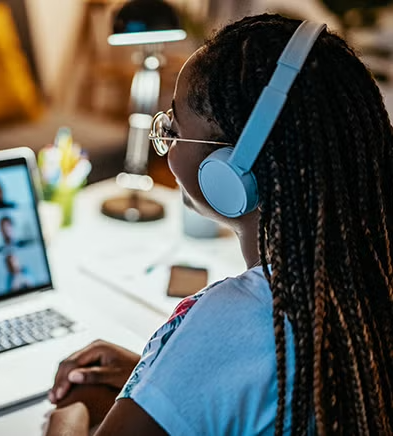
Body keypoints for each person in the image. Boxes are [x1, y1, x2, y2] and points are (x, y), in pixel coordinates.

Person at [45, 14, 393, 436]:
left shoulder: (237, 318)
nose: (166, 146)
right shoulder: (367, 285)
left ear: (231, 169)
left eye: (173, 129)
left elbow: (238, 353)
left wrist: (70, 416)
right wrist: (164, 380)